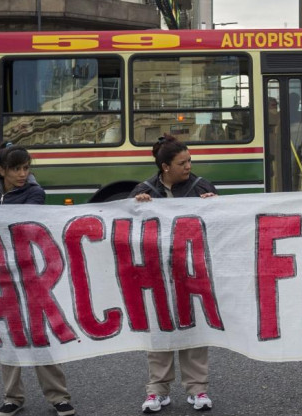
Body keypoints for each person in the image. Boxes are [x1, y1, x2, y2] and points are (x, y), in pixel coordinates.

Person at [0, 142, 76, 416]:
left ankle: (59, 396)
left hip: (31, 273)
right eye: (16, 168)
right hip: (0, 274)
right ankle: (12, 397)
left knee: (40, 334)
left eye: (26, 168)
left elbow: (22, 224)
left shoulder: (35, 193)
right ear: (1, 170)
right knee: (7, 335)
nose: (23, 174)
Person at [130, 134, 217, 414]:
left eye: (190, 161)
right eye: (183, 162)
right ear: (165, 166)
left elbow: (221, 227)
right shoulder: (144, 191)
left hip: (192, 271)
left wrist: (215, 205)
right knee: (160, 332)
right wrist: (136, 208)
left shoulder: (200, 187)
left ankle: (198, 389)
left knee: (194, 331)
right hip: (158, 274)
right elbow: (128, 233)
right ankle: (157, 391)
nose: (189, 166)